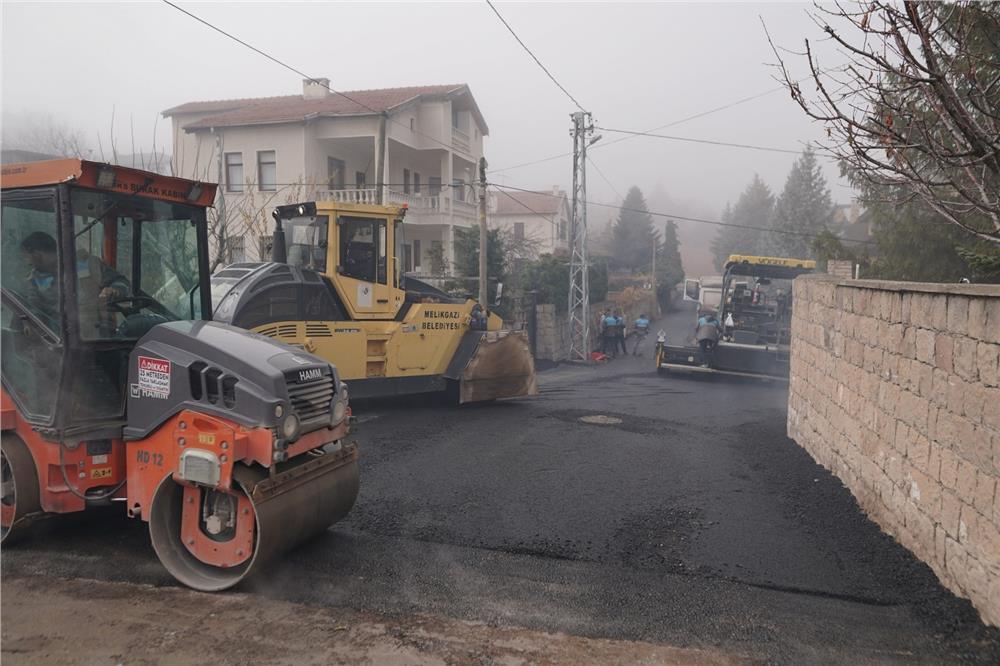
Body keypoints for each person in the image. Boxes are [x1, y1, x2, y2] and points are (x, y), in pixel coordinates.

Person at [21, 232, 129, 335]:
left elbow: (121, 282)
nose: (27, 263)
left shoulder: (87, 263)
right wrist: (30, 326)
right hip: (59, 342)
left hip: (99, 337)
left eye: (26, 257)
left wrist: (114, 290)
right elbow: (33, 310)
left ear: (37, 254)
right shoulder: (33, 281)